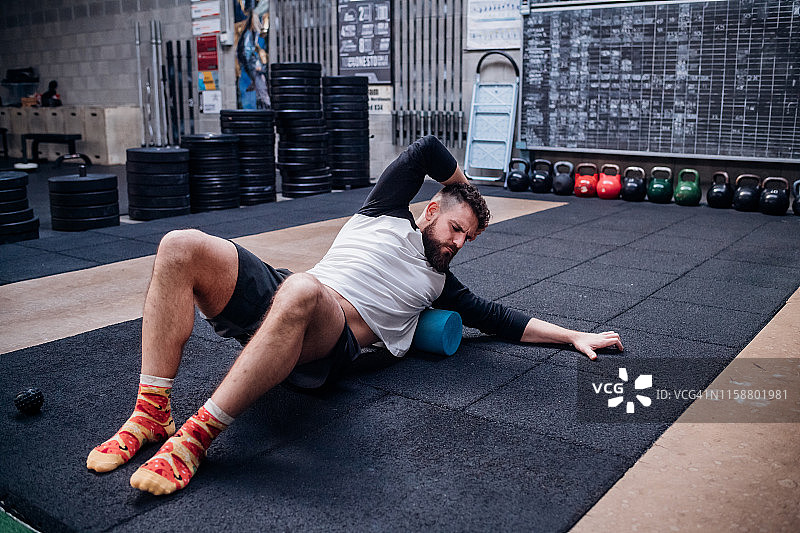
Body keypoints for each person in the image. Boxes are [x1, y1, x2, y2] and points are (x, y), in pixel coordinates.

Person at [86, 136, 623, 495]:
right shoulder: (382, 212)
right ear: (430, 211)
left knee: (300, 289)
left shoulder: (441, 287)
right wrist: (465, 189)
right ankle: (153, 409)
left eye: (469, 238)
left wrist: (575, 335)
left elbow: (505, 320)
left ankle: (197, 437)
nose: (459, 243)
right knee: (180, 244)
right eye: (456, 228)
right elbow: (425, 152)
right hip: (288, 294)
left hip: (328, 335)